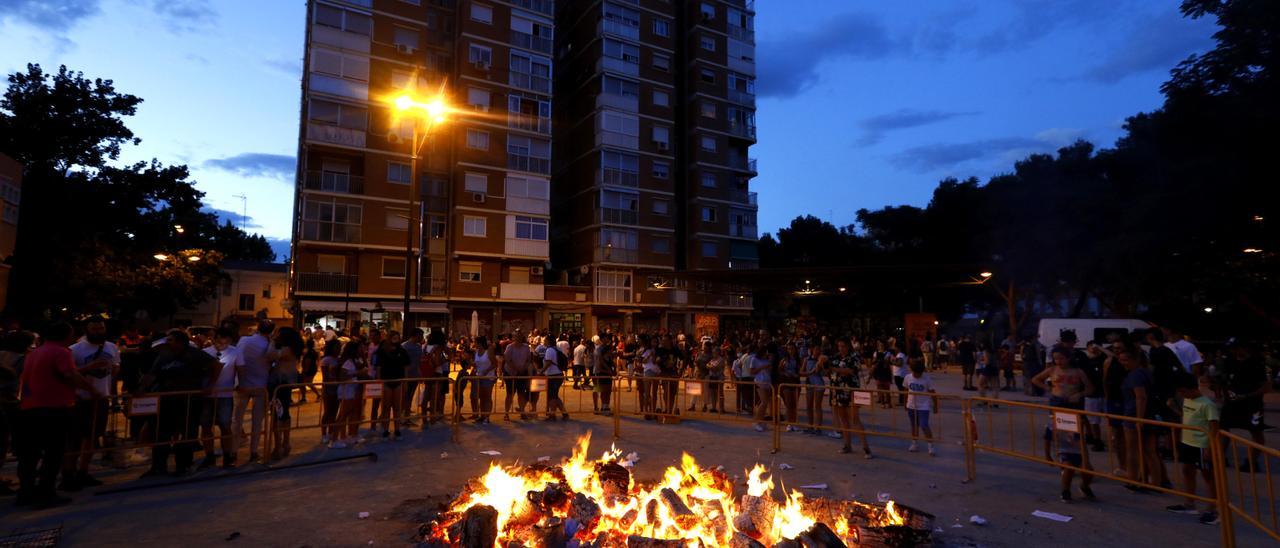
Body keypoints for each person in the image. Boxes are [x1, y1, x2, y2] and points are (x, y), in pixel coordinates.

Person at [15, 323, 103, 508]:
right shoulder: (61, 352)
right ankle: (46, 492)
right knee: (53, 453)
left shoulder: (35, 353)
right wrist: (92, 390)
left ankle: (26, 492)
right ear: (66, 336)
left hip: (30, 408)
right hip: (53, 408)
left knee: (30, 454)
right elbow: (70, 375)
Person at [143, 330, 218, 477]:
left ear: (180, 342)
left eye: (170, 340)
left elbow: (216, 366)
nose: (167, 342)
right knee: (162, 435)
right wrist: (141, 389)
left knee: (187, 435)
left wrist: (210, 386)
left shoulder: (195, 354)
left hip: (189, 401)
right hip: (167, 401)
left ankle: (183, 466)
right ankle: (158, 467)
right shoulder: (164, 355)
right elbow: (153, 374)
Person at [62, 317, 118, 491]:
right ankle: (68, 473)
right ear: (86, 330)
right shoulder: (74, 350)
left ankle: (83, 471)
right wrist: (89, 367)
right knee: (75, 439)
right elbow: (67, 374)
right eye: (94, 329)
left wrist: (112, 386)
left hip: (101, 399)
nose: (98, 332)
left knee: (93, 437)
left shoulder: (111, 347)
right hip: (81, 400)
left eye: (100, 328)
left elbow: (115, 367)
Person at [1165, 374, 1220, 525]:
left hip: (1201, 445)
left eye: (1183, 392)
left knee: (1208, 476)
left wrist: (1210, 447)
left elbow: (1214, 427)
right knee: (1187, 471)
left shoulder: (1207, 404)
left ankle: (1213, 509)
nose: (1182, 395)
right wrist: (1174, 408)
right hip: (1187, 442)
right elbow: (1187, 416)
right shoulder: (1188, 400)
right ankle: (1189, 504)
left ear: (1191, 389)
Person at [1119, 347, 1168, 489]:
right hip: (1149, 415)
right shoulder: (1146, 373)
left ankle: (1133, 480)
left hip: (1135, 416)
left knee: (1133, 450)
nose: (1123, 363)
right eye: (1121, 360)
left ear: (1136, 360)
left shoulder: (1135, 375)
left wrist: (1139, 419)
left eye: (1126, 360)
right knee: (1150, 451)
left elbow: (1141, 397)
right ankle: (1156, 483)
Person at [1219, 340, 1270, 471]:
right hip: (1232, 403)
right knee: (1222, 430)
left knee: (1256, 432)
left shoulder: (1256, 362)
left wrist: (1247, 395)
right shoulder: (1229, 361)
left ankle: (1251, 462)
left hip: (1252, 404)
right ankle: (1220, 458)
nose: (1232, 352)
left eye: (1235, 349)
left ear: (1243, 347)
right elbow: (1225, 380)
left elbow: (1265, 387)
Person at [200, 328, 241, 469]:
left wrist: (239, 385)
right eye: (218, 341)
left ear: (229, 341)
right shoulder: (205, 353)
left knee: (225, 425)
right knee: (206, 426)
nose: (220, 344)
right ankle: (209, 456)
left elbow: (240, 371)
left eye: (224, 342)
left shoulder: (235, 352)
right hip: (207, 395)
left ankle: (227, 456)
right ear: (213, 339)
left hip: (225, 395)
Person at [233, 320, 274, 463]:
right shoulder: (269, 345)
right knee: (257, 421)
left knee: (237, 419)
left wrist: (240, 380)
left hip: (243, 385)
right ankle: (254, 451)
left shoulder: (244, 340)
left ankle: (233, 450)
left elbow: (238, 360)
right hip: (261, 385)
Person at [0, 330, 34, 496]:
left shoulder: (1, 354)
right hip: (8, 403)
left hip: (7, 402)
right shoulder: (21, 359)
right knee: (5, 441)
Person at [828, 338, 872, 458]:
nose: (841, 348)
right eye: (839, 346)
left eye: (843, 346)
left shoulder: (854, 357)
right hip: (838, 391)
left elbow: (851, 371)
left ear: (848, 346)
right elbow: (829, 369)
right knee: (844, 420)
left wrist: (836, 370)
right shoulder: (836, 357)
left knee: (855, 420)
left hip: (852, 391)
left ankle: (866, 448)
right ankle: (847, 445)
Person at [268, 327, 303, 461]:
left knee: (278, 415)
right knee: (282, 414)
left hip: (280, 383)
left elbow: (270, 355)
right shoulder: (292, 349)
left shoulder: (287, 350)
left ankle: (279, 446)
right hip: (283, 383)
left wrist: (271, 341)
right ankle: (285, 443)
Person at [331, 340, 368, 448]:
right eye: (359, 348)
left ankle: (346, 436)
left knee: (349, 413)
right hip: (346, 390)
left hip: (352, 389)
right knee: (343, 414)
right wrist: (358, 373)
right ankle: (334, 439)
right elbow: (343, 377)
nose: (361, 350)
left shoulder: (353, 360)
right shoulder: (347, 362)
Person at [373, 335, 409, 439]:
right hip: (386, 381)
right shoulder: (382, 352)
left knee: (397, 407)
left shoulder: (402, 351)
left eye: (397, 337)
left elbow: (406, 367)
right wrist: (379, 382)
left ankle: (397, 429)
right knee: (386, 407)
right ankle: (385, 429)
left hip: (398, 381)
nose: (395, 339)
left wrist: (405, 381)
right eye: (393, 337)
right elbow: (378, 367)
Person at [904, 356, 937, 455]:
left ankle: (930, 445)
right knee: (914, 425)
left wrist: (935, 405)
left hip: (923, 406)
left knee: (924, 425)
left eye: (919, 373)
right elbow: (906, 391)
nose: (917, 375)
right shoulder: (908, 377)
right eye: (915, 373)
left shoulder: (926, 378)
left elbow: (932, 392)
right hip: (911, 405)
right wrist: (906, 403)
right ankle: (914, 443)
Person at [502, 330, 533, 420]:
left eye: (520, 336)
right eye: (516, 336)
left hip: (522, 373)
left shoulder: (526, 347)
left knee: (521, 394)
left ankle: (522, 412)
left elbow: (528, 359)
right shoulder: (509, 347)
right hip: (511, 374)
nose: (518, 338)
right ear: (513, 337)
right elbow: (507, 360)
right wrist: (516, 368)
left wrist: (524, 368)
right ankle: (506, 413)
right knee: (510, 394)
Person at [539, 337, 569, 421]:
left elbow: (548, 362)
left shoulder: (549, 350)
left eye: (545, 340)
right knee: (554, 396)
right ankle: (564, 413)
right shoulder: (556, 349)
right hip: (558, 374)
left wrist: (541, 371)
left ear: (548, 341)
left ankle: (552, 415)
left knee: (552, 396)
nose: (543, 342)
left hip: (553, 376)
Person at [800, 343, 827, 435]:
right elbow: (801, 372)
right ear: (812, 349)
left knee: (818, 406)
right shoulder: (806, 359)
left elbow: (826, 373)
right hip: (809, 384)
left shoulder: (822, 360)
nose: (817, 351)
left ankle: (818, 428)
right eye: (816, 349)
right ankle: (810, 426)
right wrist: (809, 373)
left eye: (819, 349)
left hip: (819, 384)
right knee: (809, 406)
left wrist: (821, 365)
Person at [318, 340, 342, 443]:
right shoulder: (326, 360)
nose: (338, 349)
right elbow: (325, 377)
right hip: (328, 388)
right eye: (336, 347)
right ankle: (324, 433)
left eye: (339, 347)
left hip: (337, 388)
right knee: (327, 412)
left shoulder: (338, 359)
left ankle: (331, 432)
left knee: (334, 411)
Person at [472, 336, 497, 423]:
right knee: (482, 397)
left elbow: (494, 363)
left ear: (480, 343)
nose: (474, 344)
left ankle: (487, 416)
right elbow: (476, 364)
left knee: (487, 397)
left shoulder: (488, 351)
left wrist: (486, 371)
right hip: (479, 377)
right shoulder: (476, 352)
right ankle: (482, 416)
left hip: (488, 377)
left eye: (475, 342)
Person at [777, 343, 801, 431]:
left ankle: (794, 423)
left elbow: (801, 370)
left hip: (795, 382)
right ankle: (789, 423)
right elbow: (779, 370)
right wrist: (786, 373)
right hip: (786, 382)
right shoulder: (784, 360)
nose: (790, 350)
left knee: (794, 404)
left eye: (792, 349)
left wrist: (797, 374)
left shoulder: (798, 360)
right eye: (789, 349)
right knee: (788, 404)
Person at [750, 345, 773, 432]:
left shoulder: (766, 360)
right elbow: (751, 371)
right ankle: (757, 422)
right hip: (759, 382)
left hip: (767, 381)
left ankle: (761, 420)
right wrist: (762, 367)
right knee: (763, 402)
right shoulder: (754, 359)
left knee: (765, 403)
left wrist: (769, 365)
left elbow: (769, 370)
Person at [593, 336, 615, 415]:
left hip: (604, 372)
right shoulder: (599, 350)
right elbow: (600, 362)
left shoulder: (604, 350)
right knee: (603, 390)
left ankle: (605, 406)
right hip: (601, 372)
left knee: (606, 390)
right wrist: (608, 370)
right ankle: (604, 407)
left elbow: (610, 361)